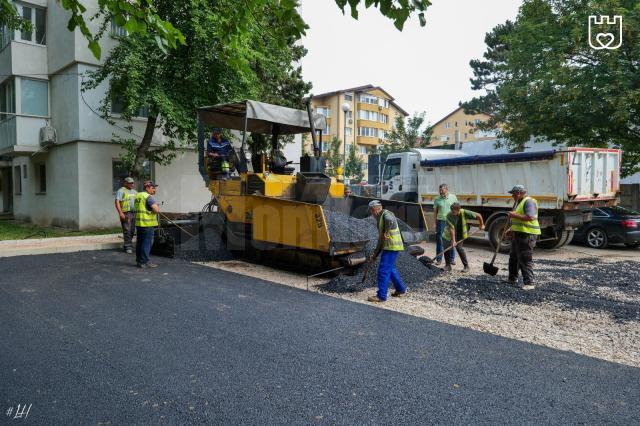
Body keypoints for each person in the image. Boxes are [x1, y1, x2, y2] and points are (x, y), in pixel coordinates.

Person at [366, 200, 407, 303]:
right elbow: (381, 240)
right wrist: (375, 255)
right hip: (390, 246)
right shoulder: (380, 218)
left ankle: (381, 296)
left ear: (375, 209)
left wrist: (387, 231)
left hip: (391, 246)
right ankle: (401, 289)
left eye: (371, 211)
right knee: (391, 269)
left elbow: (389, 220)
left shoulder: (386, 214)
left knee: (383, 270)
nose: (371, 213)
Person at [506, 184, 541, 290]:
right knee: (513, 257)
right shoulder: (519, 202)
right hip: (518, 234)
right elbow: (519, 219)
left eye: (513, 194)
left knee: (525, 258)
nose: (512, 196)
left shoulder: (529, 201)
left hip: (527, 235)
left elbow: (530, 217)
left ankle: (530, 283)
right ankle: (512, 278)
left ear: (520, 193)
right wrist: (511, 228)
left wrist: (513, 215)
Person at [442, 202, 485, 272]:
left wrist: (482, 224)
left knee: (459, 248)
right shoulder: (449, 215)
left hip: (461, 233)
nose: (452, 213)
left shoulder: (464, 212)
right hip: (449, 233)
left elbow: (478, 215)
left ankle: (466, 266)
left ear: (458, 210)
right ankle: (447, 265)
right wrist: (453, 241)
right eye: (451, 211)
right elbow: (451, 229)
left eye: (454, 212)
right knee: (446, 247)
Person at [134, 180, 160, 268]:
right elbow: (156, 210)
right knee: (147, 243)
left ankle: (139, 261)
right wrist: (156, 207)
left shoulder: (138, 195)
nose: (154, 190)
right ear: (147, 187)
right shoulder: (148, 197)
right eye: (153, 188)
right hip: (147, 224)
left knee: (140, 243)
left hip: (139, 224)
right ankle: (144, 262)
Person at [433, 183, 458, 264]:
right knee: (440, 240)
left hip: (451, 221)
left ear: (447, 190)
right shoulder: (437, 199)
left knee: (451, 239)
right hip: (441, 221)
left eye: (442, 190)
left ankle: (451, 259)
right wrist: (435, 223)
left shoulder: (453, 197)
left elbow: (457, 209)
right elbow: (435, 212)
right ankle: (439, 259)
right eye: (440, 191)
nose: (441, 192)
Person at [115, 177, 137, 253]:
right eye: (130, 183)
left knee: (132, 231)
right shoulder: (121, 191)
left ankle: (127, 245)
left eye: (133, 183)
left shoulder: (135, 192)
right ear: (125, 183)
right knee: (127, 230)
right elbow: (117, 202)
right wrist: (120, 213)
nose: (132, 184)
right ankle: (128, 247)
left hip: (134, 213)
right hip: (126, 213)